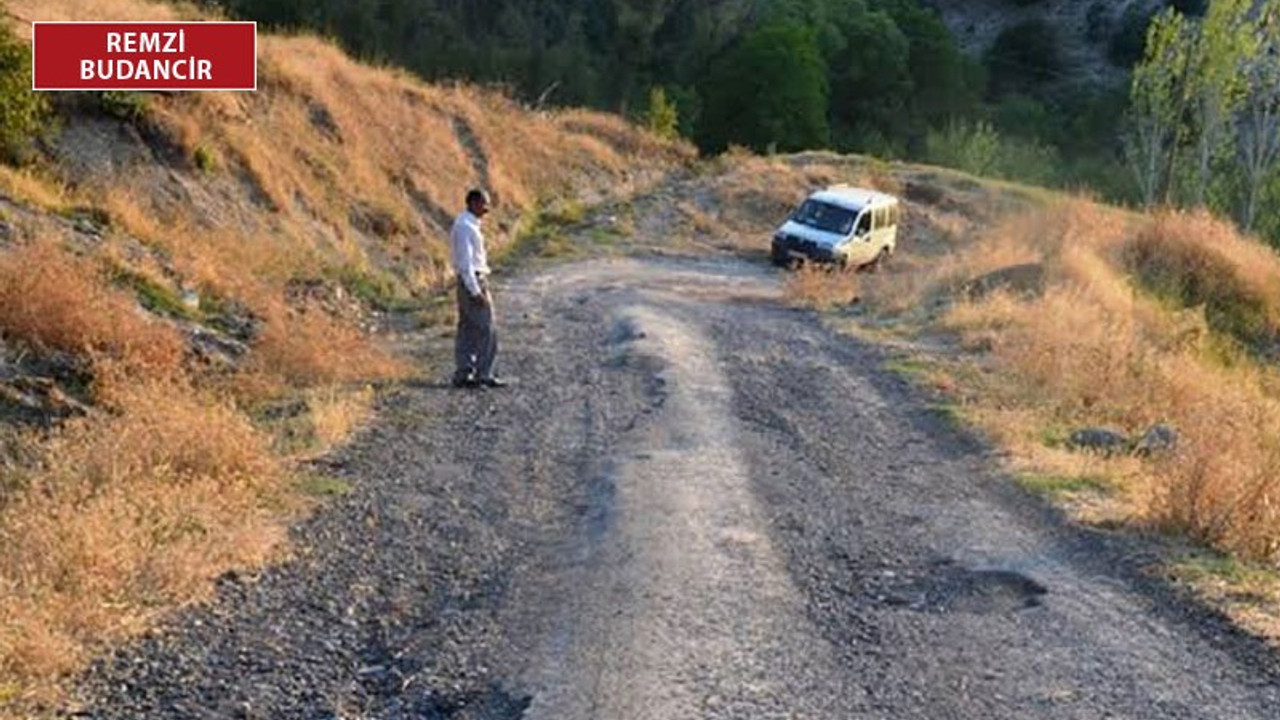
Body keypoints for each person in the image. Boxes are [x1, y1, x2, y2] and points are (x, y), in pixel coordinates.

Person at [449, 189, 507, 388]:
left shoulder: (467, 224)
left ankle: (464, 373)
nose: (487, 209)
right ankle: (484, 373)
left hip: (468, 280)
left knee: (466, 328)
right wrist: (476, 291)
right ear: (473, 203)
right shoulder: (465, 226)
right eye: (484, 204)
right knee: (486, 329)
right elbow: (466, 263)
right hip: (472, 280)